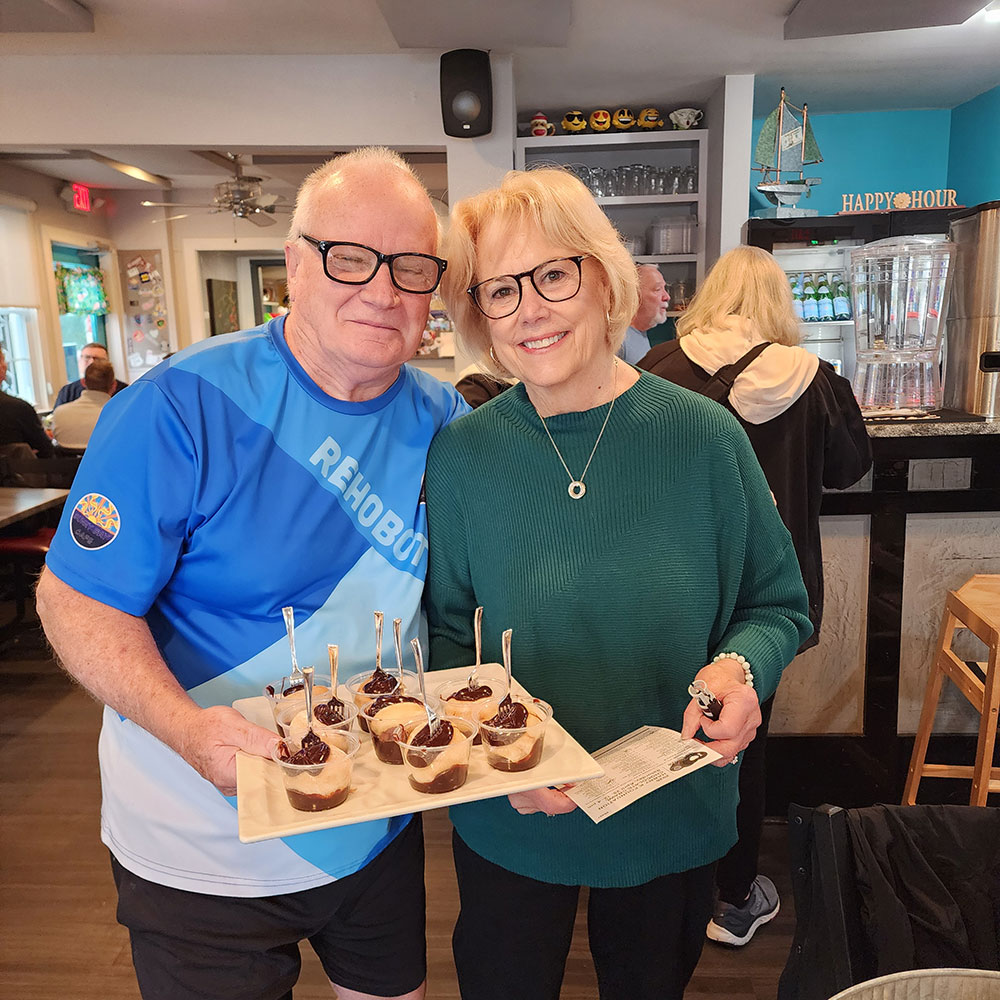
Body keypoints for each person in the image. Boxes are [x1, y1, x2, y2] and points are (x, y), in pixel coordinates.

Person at [36, 146, 468, 1000]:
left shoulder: (445, 420)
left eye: (412, 267)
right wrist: (189, 732)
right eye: (351, 258)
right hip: (201, 840)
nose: (383, 291)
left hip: (372, 821)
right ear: (295, 266)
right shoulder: (180, 404)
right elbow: (75, 603)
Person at [423, 167, 812, 1000]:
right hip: (509, 811)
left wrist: (741, 669)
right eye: (500, 290)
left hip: (667, 810)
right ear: (479, 315)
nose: (529, 309)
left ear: (604, 280)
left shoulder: (704, 437)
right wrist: (499, 756)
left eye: (552, 275)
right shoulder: (461, 455)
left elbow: (777, 603)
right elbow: (450, 632)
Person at [638, 244, 872, 948]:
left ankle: (657, 878)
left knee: (664, 722)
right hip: (772, 591)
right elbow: (850, 469)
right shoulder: (816, 379)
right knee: (745, 736)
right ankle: (733, 896)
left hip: (672, 586)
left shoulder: (659, 369)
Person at [0, 344, 53, 459]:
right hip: (15, 470)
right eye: (2, 360)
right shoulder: (18, 408)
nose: (5, 365)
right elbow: (45, 449)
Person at [50, 357, 114, 449]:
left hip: (67, 459)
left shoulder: (59, 413)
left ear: (83, 382)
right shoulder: (118, 415)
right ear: (114, 385)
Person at [617, 263, 671, 364]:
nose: (667, 297)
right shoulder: (619, 340)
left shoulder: (639, 335)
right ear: (634, 295)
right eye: (658, 289)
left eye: (664, 288)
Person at [52, 341, 128, 407]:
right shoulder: (68, 392)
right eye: (87, 358)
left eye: (98, 359)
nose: (92, 362)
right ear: (79, 361)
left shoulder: (124, 390)